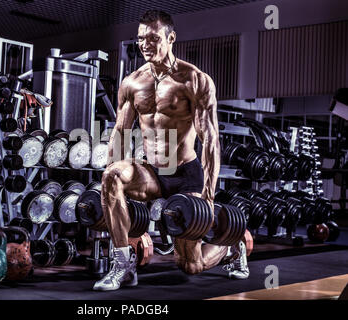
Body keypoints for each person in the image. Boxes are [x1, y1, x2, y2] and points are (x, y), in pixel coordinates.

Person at [93, 10, 249, 291]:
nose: (145, 44)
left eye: (152, 38)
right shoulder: (132, 83)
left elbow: (210, 139)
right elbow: (120, 133)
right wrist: (107, 186)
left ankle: (230, 245)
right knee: (112, 177)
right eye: (141, 39)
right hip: (153, 171)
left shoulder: (194, 80)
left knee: (190, 265)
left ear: (171, 38)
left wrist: (209, 197)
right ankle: (123, 266)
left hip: (185, 175)